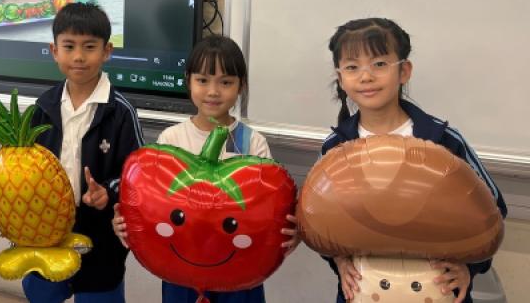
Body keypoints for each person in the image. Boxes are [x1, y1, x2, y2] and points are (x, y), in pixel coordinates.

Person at [323, 18, 508, 303]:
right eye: (352, 67)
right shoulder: (335, 147)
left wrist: (469, 268)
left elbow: (492, 209)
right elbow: (323, 219)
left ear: (404, 71)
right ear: (340, 78)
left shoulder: (444, 140)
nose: (366, 76)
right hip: (363, 293)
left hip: (438, 291)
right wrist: (338, 260)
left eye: (379, 64)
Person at [112, 35, 299, 303]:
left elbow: (269, 210)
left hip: (238, 270)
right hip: (181, 265)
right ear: (188, 81)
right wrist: (127, 221)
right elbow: (151, 203)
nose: (213, 91)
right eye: (202, 80)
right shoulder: (170, 140)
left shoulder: (252, 142)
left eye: (225, 82)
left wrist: (292, 231)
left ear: (241, 86)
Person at [22, 3, 144, 303]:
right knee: (43, 292)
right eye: (69, 46)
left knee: (98, 295)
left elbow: (137, 176)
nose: (78, 56)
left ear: (106, 51)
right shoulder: (42, 107)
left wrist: (108, 192)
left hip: (100, 234)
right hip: (47, 231)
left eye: (89, 47)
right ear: (54, 51)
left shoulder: (120, 112)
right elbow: (24, 166)